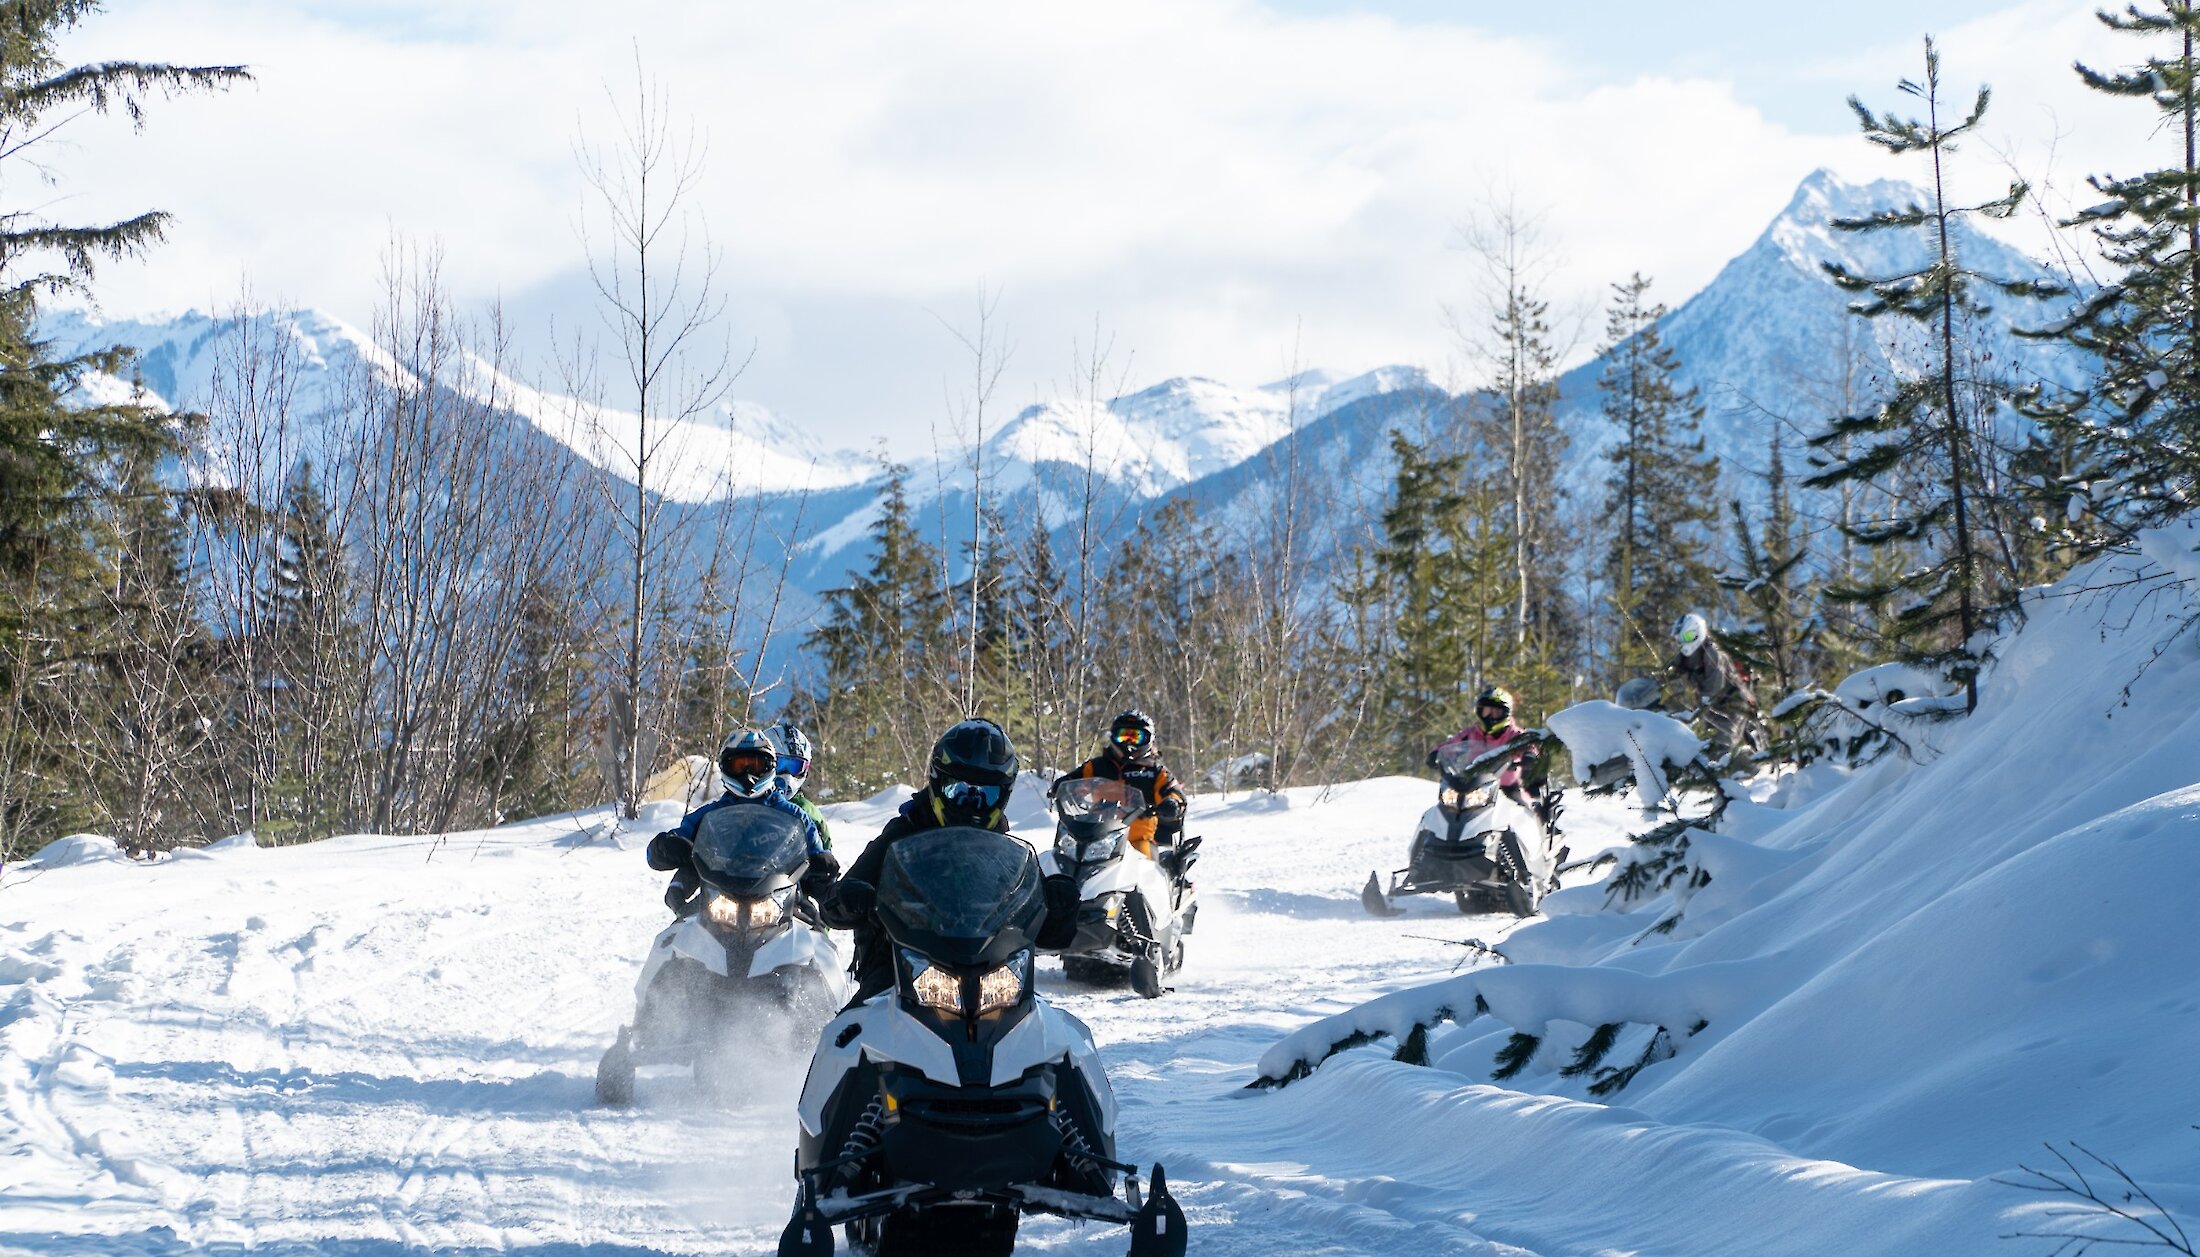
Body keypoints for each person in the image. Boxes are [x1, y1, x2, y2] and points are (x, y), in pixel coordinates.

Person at [818, 718, 1078, 1005]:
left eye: (985, 794)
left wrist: (1058, 906)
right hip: (899, 968)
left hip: (992, 972)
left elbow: (1043, 926)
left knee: (1049, 1032)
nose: (971, 802)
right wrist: (849, 897)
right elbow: (837, 903)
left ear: (1003, 795)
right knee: (846, 1036)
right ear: (938, 782)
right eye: (959, 790)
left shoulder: (1005, 850)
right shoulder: (903, 832)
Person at [646, 727, 837, 917]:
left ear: (770, 767)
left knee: (815, 937)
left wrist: (823, 863)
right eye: (739, 766)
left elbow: (817, 852)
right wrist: (664, 847)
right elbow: (669, 843)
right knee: (674, 939)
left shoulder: (796, 815)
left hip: (781, 900)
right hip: (718, 900)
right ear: (725, 768)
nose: (748, 774)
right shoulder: (707, 815)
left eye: (756, 765)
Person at [1057, 709, 1188, 865]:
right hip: (1097, 837)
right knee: (1065, 861)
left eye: (1136, 737)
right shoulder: (1097, 766)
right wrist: (1061, 786)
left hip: (1137, 839)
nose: (1128, 742)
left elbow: (1172, 791)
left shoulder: (1155, 772)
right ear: (1113, 736)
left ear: (1148, 740)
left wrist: (1171, 803)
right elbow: (1074, 779)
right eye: (1123, 736)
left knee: (1145, 872)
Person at [1429, 685, 1545, 809]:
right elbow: (1451, 743)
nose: (1490, 716)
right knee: (1447, 809)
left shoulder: (1514, 734)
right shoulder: (1471, 733)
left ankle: (1535, 823)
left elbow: (1529, 745)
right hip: (1472, 786)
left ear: (1505, 714)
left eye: (1496, 712)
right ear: (1480, 711)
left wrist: (1530, 756)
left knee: (1524, 812)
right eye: (1487, 711)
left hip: (1506, 788)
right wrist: (1436, 753)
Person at [1666, 612, 1763, 759]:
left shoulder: (1713, 654)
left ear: (1698, 633)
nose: (1683, 642)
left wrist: (1692, 708)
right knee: (1702, 746)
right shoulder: (1686, 655)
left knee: (1721, 747)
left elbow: (1713, 689)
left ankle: (1735, 778)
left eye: (1687, 637)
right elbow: (1671, 672)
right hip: (1711, 706)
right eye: (1680, 638)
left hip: (1732, 703)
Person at [764, 720, 831, 851]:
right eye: (780, 764)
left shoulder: (808, 813)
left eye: (795, 767)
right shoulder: (744, 800)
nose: (787, 775)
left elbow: (826, 855)